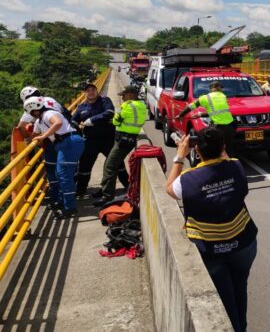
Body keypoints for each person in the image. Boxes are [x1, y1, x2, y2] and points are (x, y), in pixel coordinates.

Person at [166, 127, 257, 332]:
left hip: (211, 248)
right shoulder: (236, 166)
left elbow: (169, 188)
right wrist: (217, 146)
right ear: (223, 147)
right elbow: (224, 158)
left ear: (197, 151)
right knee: (239, 289)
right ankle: (241, 327)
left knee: (225, 297)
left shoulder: (188, 179)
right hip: (243, 242)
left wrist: (180, 156)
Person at [25, 96, 85, 219]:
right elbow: (34, 135)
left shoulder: (49, 113)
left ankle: (70, 208)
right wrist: (29, 141)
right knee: (60, 175)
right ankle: (64, 203)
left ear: (34, 110)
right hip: (64, 144)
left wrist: (43, 136)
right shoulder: (39, 121)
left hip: (69, 141)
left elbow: (58, 122)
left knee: (63, 175)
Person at [93, 86, 146, 206]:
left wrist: (115, 119)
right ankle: (105, 189)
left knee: (110, 166)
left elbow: (117, 121)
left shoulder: (128, 105)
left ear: (131, 95)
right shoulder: (141, 105)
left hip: (123, 140)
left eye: (124, 95)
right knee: (109, 163)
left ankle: (107, 196)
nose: (122, 98)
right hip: (130, 139)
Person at [72, 83, 128, 196]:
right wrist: (75, 130)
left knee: (117, 164)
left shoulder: (105, 101)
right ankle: (81, 190)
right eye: (88, 90)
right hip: (90, 141)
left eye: (93, 90)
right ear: (85, 94)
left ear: (97, 92)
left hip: (107, 139)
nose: (90, 92)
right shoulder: (81, 107)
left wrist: (92, 120)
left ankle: (128, 185)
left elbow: (109, 113)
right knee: (84, 166)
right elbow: (73, 121)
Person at [177, 81, 236, 151]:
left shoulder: (205, 98)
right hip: (230, 128)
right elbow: (217, 112)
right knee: (228, 150)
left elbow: (191, 106)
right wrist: (201, 114)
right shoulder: (223, 96)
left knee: (216, 150)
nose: (222, 89)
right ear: (217, 87)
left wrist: (180, 115)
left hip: (218, 128)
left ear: (211, 89)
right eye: (221, 87)